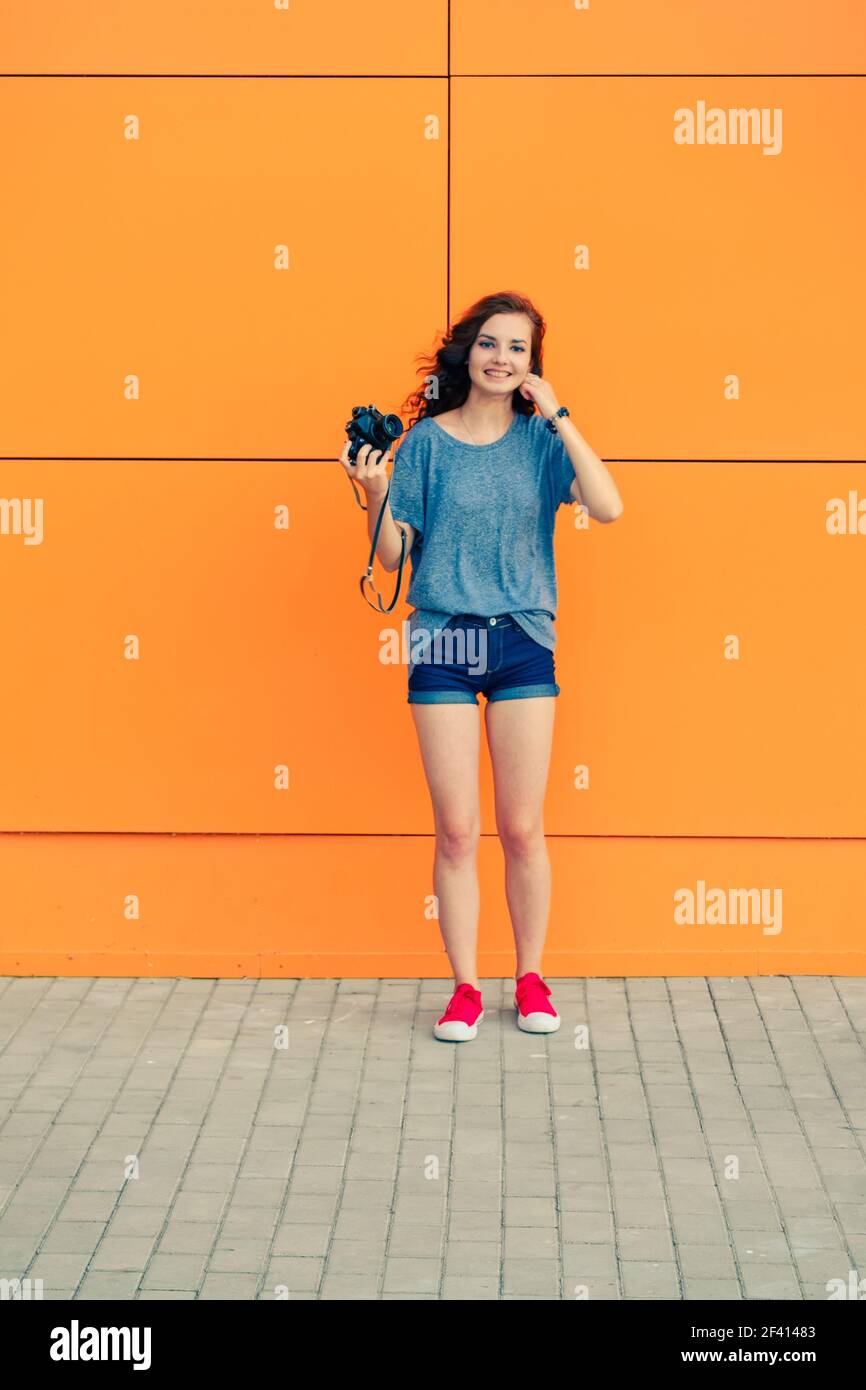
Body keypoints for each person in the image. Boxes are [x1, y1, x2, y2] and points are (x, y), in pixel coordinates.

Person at [339, 291, 623, 1042]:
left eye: (519, 349)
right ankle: (466, 987)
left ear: (533, 365)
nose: (502, 358)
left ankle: (530, 979)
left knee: (522, 828)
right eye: (491, 344)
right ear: (468, 352)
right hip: (444, 641)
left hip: (522, 638)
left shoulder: (539, 442)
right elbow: (394, 555)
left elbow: (609, 504)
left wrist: (559, 414)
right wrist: (373, 496)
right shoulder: (426, 444)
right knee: (458, 832)